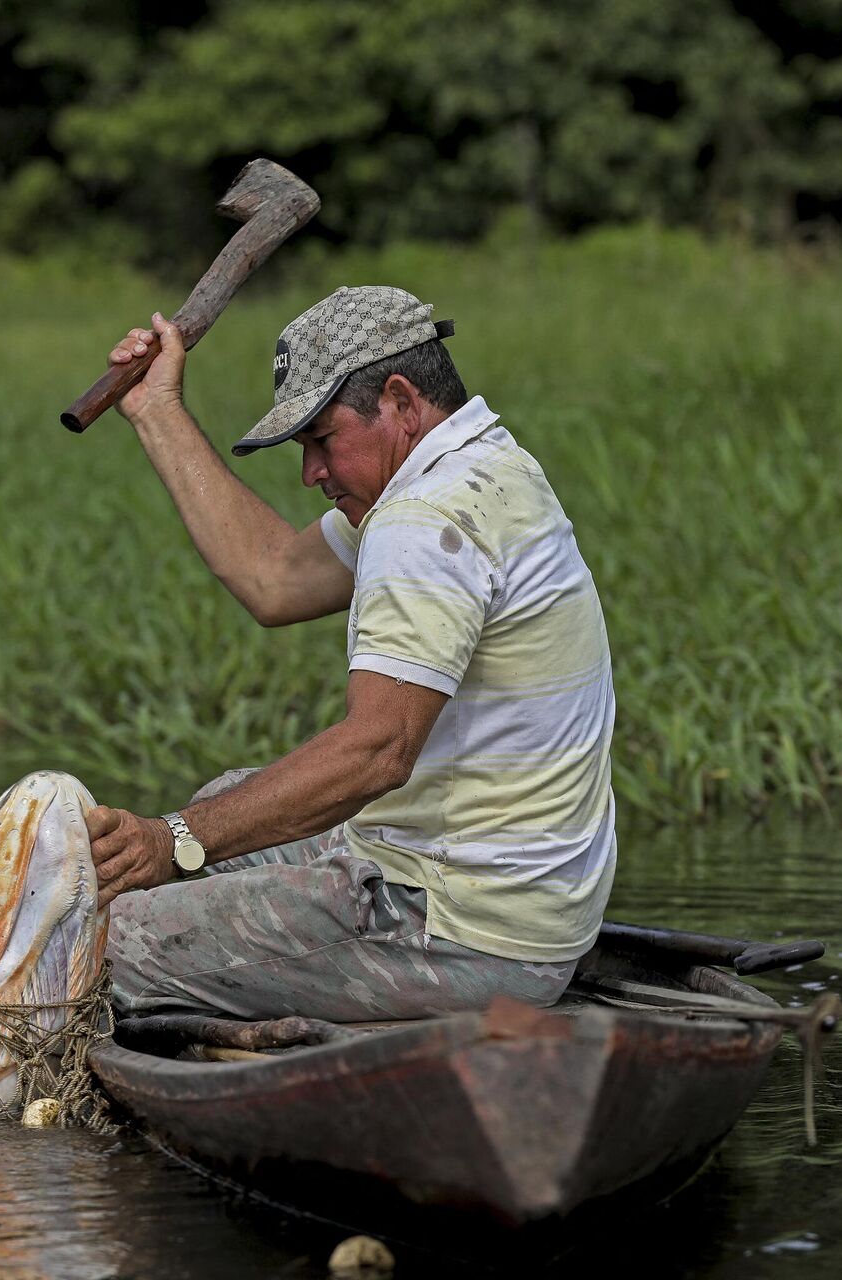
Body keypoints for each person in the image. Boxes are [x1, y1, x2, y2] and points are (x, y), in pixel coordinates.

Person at [83, 285, 619, 1023]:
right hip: (529, 909)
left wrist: (169, 841)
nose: (311, 473)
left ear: (400, 401)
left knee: (105, 944)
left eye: (321, 439)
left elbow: (377, 751)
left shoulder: (422, 517)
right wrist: (157, 412)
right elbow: (273, 577)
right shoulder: (484, 463)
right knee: (218, 805)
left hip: (468, 934)